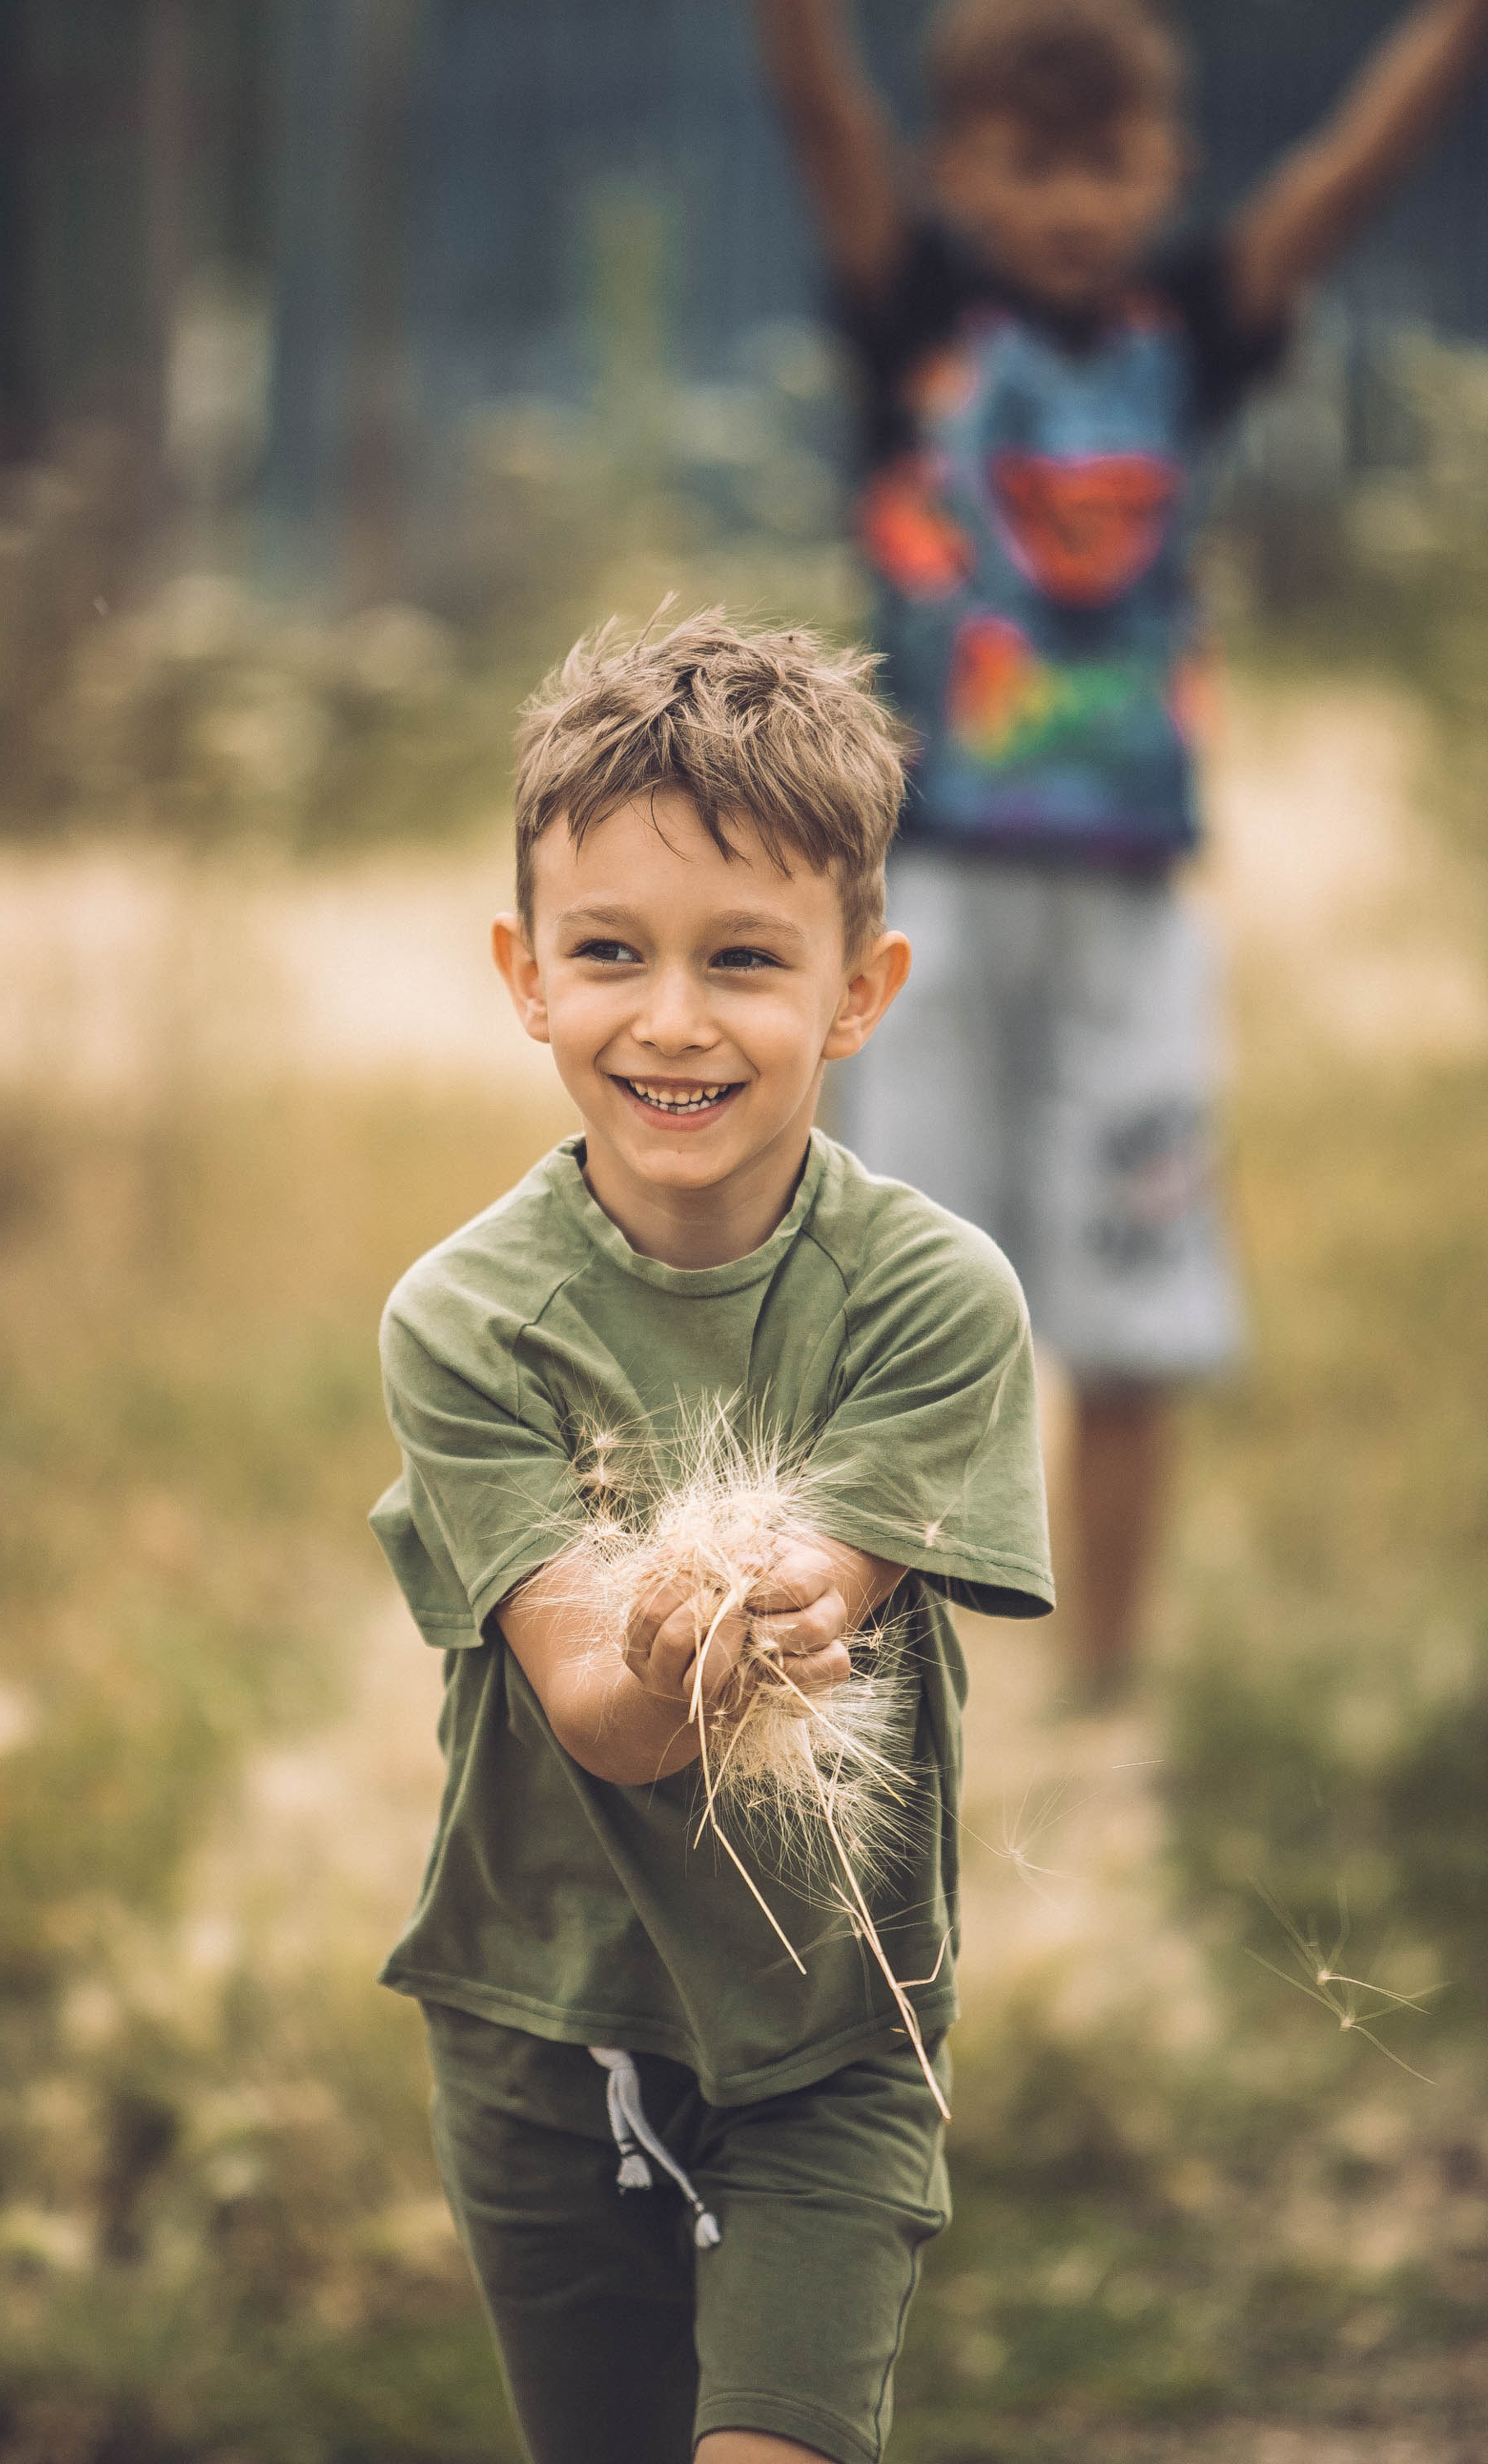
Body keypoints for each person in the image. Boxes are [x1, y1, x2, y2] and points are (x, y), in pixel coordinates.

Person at [370, 611, 1054, 2464]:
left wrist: (784, 1609)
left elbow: (830, 1576)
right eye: (610, 952)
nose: (672, 1020)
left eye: (744, 958)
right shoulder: (464, 1322)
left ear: (859, 991)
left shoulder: (932, 1300)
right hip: (535, 2028)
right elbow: (605, 1714)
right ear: (525, 975)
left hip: (831, 2036)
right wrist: (677, 1646)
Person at [751, 0, 1488, 1702]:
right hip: (926, 910)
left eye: (1107, 166)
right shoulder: (916, 314)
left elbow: (1350, 170)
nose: (1073, 204)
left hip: (1134, 914)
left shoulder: (1193, 329)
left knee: (1135, 1327)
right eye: (1029, 165)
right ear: (955, 172)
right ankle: (872, 1692)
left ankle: (1106, 1696)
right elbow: (816, 106)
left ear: (1168, 168)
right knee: (901, 1318)